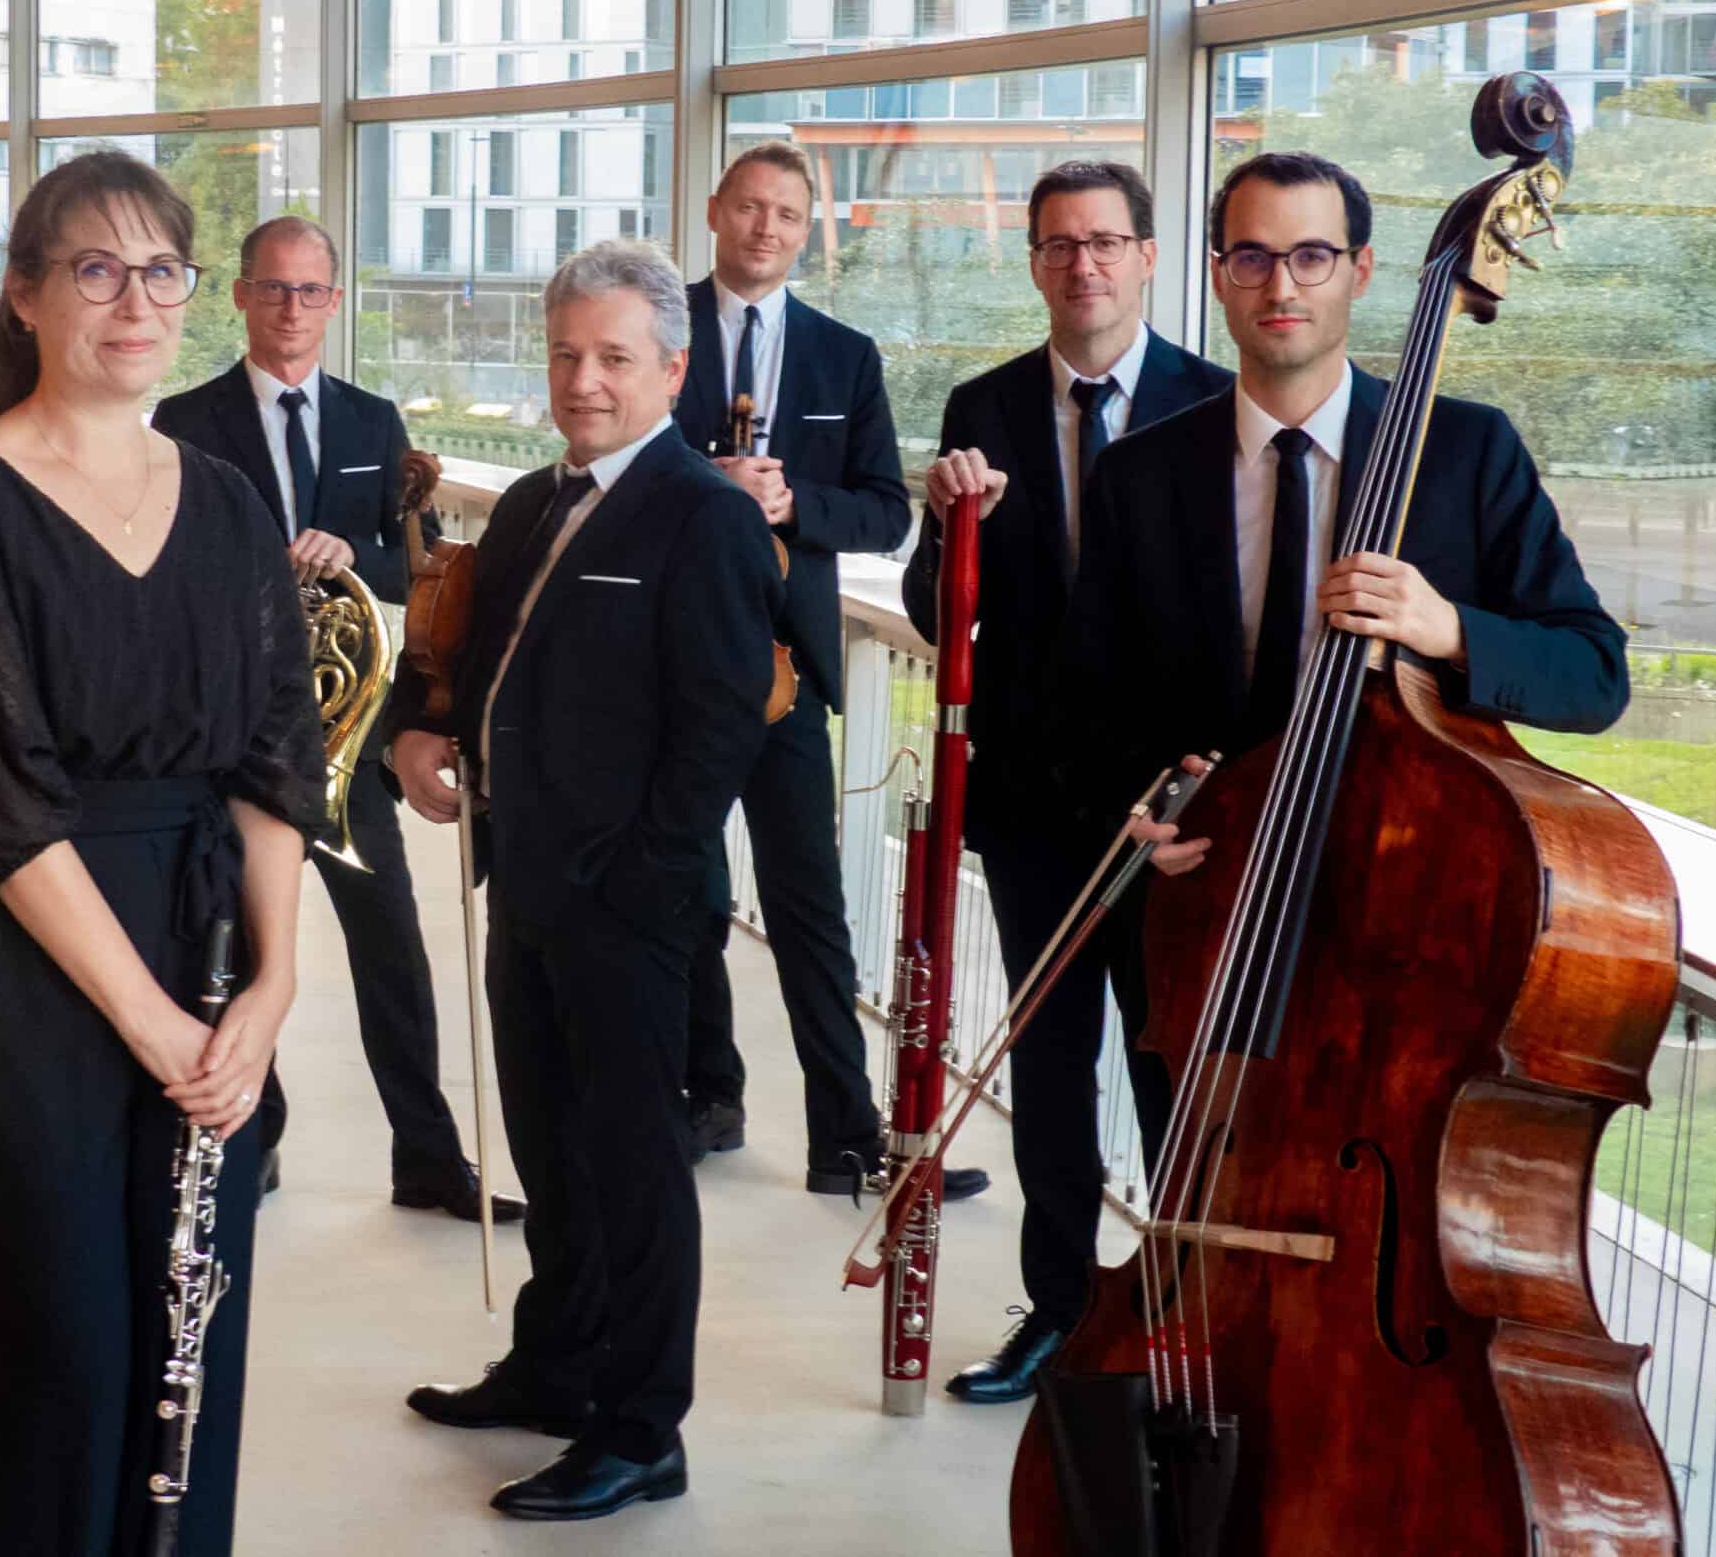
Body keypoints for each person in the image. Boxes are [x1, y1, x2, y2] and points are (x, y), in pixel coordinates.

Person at [0, 151, 324, 1556]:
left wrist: (271, 992)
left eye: (162, 269)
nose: (136, 301)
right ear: (27, 293)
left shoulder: (230, 501)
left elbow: (275, 759)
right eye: (96, 269)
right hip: (30, 984)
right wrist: (154, 1022)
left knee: (193, 1373)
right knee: (53, 1358)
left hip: (208, 953)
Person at [1053, 146, 1626, 1076]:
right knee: (1191, 1184)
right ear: (1219, 278)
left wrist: (1445, 628)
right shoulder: (1137, 474)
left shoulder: (1469, 453)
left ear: (1359, 270)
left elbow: (1596, 676)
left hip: (1405, 924)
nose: (1282, 284)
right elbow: (1084, 705)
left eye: (1312, 256)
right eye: (1252, 257)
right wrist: (1131, 805)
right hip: (1205, 920)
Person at [389, 240, 781, 1523]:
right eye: (566, 354)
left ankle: (639, 1426)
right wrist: (416, 728)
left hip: (626, 901)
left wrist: (643, 882)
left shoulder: (703, 514)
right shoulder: (526, 505)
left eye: (614, 358)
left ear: (671, 367)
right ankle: (555, 1367)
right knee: (549, 1143)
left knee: (633, 1168)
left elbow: (720, 725)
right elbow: (463, 654)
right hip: (527, 878)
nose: (584, 381)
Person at [899, 160, 1233, 1405]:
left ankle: (1183, 1310)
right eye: (1057, 245)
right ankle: (1058, 1310)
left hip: (1182, 808)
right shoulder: (978, 403)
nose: (1081, 264)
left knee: (1169, 1067)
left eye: (1104, 241)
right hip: (1037, 801)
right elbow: (944, 620)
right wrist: (945, 526)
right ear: (1034, 263)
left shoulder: (1217, 400)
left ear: (1148, 256)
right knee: (1047, 1070)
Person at [152, 215, 520, 1226]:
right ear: (237, 296)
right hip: (228, 736)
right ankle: (251, 1138)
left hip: (347, 738)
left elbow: (419, 565)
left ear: (334, 301)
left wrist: (352, 557)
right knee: (231, 946)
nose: (292, 309)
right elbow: (159, 569)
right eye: (272, 289)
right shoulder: (183, 421)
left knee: (391, 945)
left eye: (311, 291)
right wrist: (258, 564)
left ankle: (428, 1158)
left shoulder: (371, 421)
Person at [671, 141, 916, 1193]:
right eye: (749, 207)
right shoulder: (652, 326)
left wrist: (786, 504)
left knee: (809, 904)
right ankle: (707, 1098)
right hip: (672, 666)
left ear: (806, 227)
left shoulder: (842, 355)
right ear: (716, 212)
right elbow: (596, 465)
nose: (766, 228)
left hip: (788, 668)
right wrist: (703, 482)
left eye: (787, 213)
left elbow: (884, 509)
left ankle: (844, 1135)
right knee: (688, 893)